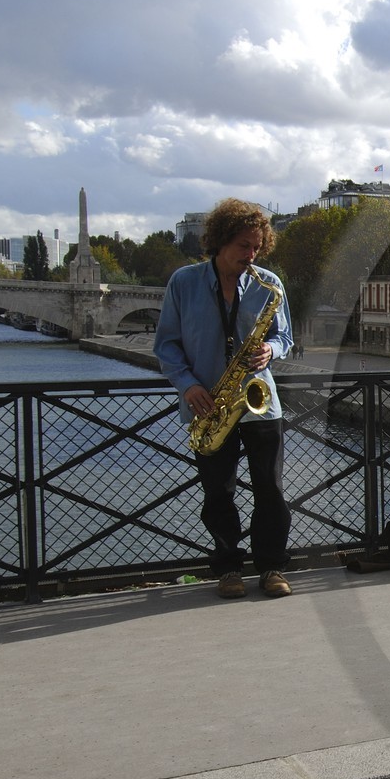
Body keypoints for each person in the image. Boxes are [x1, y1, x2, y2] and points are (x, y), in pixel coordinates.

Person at [155, 199, 295, 599]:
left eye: (256, 247)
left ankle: (271, 567)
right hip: (209, 404)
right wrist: (188, 384)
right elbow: (165, 345)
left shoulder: (269, 284)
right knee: (219, 494)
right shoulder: (184, 282)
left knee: (271, 489)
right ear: (219, 242)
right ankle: (229, 568)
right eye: (242, 246)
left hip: (259, 403)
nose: (250, 255)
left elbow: (284, 337)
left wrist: (272, 351)